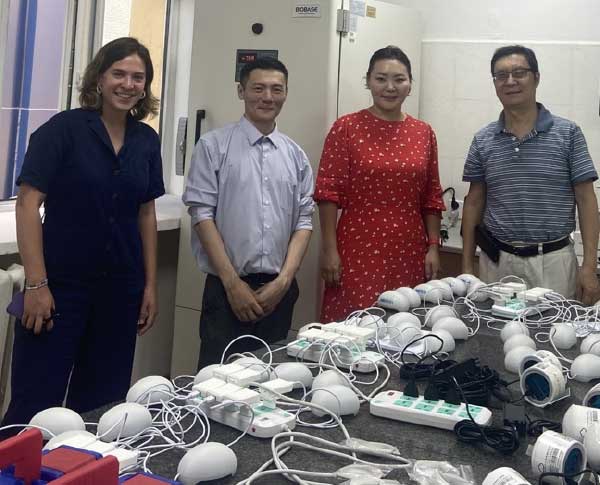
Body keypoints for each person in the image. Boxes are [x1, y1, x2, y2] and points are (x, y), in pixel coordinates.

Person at [1, 37, 165, 431]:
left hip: (120, 291)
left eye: (137, 77)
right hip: (59, 289)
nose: (128, 84)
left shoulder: (146, 140)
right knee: (34, 407)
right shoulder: (62, 130)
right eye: (119, 74)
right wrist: (37, 285)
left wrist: (149, 286)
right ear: (98, 78)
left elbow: (146, 213)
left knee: (100, 406)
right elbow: (27, 205)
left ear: (146, 85)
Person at [183, 57, 314, 368]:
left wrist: (284, 282)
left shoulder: (295, 155)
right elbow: (202, 216)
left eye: (276, 89)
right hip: (226, 289)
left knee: (271, 384)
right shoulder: (213, 146)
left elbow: (304, 221)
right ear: (241, 91)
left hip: (278, 292)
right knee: (216, 383)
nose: (267, 97)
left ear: (285, 93)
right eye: (258, 88)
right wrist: (233, 284)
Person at [315, 46, 445, 323]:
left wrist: (433, 246)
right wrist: (329, 249)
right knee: (355, 328)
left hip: (410, 248)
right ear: (368, 81)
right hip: (357, 247)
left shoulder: (423, 132)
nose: (390, 87)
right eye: (381, 78)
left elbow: (432, 196)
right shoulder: (346, 128)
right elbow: (328, 193)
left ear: (410, 84)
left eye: (399, 79)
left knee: (403, 326)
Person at [461, 45, 600, 304]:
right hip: (496, 263)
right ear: (494, 83)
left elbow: (587, 200)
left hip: (553, 263)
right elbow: (474, 202)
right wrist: (467, 266)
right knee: (491, 335)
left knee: (554, 338)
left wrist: (589, 267)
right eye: (501, 75)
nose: (510, 81)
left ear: (536, 77)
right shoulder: (483, 139)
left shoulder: (568, 134)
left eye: (519, 72)